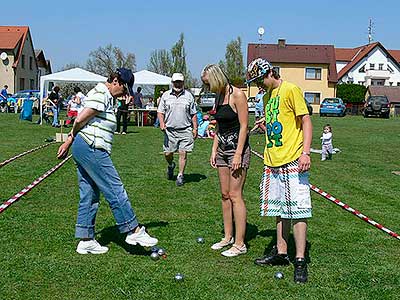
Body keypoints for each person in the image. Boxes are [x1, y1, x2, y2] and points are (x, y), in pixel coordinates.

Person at [57, 68, 158, 254]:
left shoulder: (106, 96)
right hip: (92, 146)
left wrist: (69, 141)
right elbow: (80, 119)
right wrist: (71, 138)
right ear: (116, 81)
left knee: (89, 192)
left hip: (84, 145)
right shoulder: (101, 93)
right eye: (125, 89)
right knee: (114, 187)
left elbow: (89, 121)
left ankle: (86, 239)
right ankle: (132, 230)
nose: (125, 93)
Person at [246, 58, 312, 283]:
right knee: (279, 208)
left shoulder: (290, 89)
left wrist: (306, 153)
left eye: (259, 80)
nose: (258, 85)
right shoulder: (266, 97)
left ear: (269, 73)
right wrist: (265, 127)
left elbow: (306, 121)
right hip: (273, 160)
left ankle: (301, 259)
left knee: (299, 209)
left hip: (294, 159)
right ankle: (282, 252)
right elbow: (279, 124)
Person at [201, 64, 250, 257]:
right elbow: (219, 126)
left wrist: (238, 154)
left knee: (235, 194)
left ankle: (240, 244)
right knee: (224, 194)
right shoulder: (218, 96)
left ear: (216, 78)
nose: (207, 87)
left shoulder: (237, 95)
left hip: (237, 151)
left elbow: (245, 126)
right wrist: (214, 151)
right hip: (222, 150)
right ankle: (227, 237)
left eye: (208, 83)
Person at [157, 73, 198, 187]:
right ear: (172, 83)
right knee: (168, 153)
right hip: (170, 130)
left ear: (183, 83)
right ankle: (171, 165)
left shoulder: (189, 96)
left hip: (185, 129)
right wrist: (162, 124)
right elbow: (160, 112)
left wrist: (195, 129)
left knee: (183, 153)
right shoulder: (165, 96)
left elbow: (193, 114)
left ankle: (180, 175)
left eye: (180, 82)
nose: (178, 84)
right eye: (176, 82)